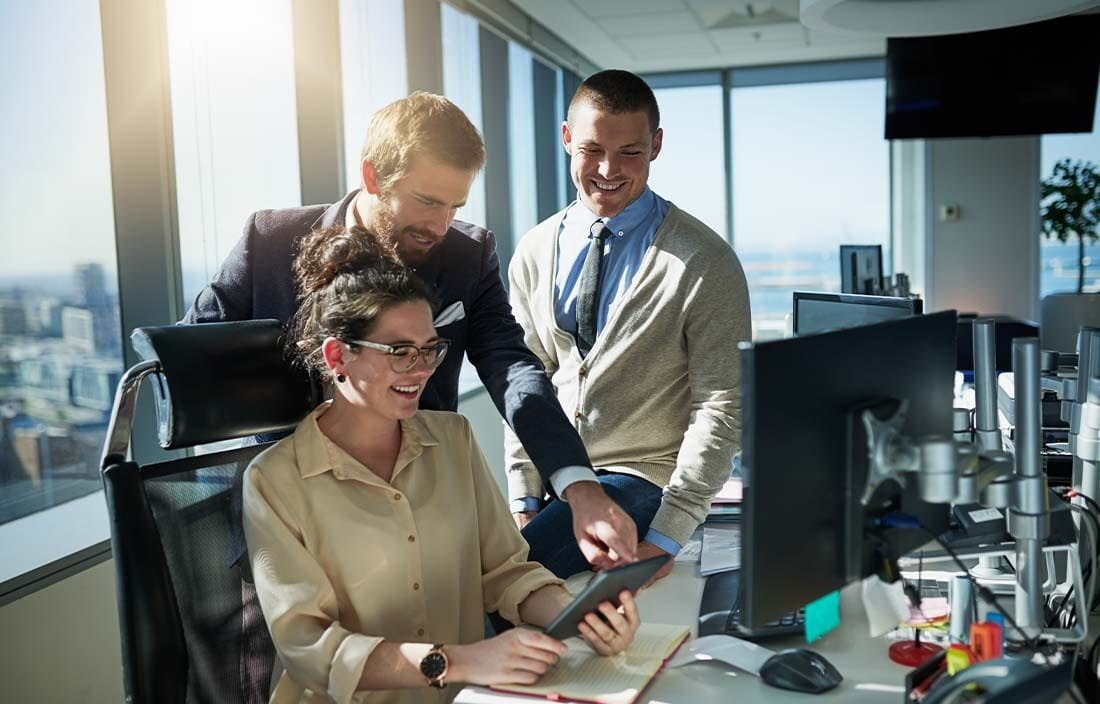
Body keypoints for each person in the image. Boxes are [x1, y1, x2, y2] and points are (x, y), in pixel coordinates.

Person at [184, 92, 636, 573]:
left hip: (415, 521)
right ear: (373, 175)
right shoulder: (270, 241)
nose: (440, 226)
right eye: (426, 201)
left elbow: (512, 366)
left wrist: (578, 485)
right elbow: (192, 362)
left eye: (454, 206)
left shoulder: (469, 254)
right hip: (288, 521)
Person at [243, 225, 640, 704]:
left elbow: (505, 572)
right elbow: (310, 649)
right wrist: (461, 661)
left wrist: (578, 612)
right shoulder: (273, 481)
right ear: (338, 355)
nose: (423, 368)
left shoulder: (452, 439)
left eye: (431, 348)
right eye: (400, 352)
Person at [506, 70, 752, 581]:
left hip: (643, 480)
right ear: (566, 137)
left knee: (511, 581)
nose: (608, 169)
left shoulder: (704, 260)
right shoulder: (534, 250)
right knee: (485, 570)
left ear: (656, 145)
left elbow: (721, 404)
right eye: (592, 148)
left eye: (631, 152)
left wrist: (667, 535)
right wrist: (524, 493)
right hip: (562, 478)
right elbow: (527, 380)